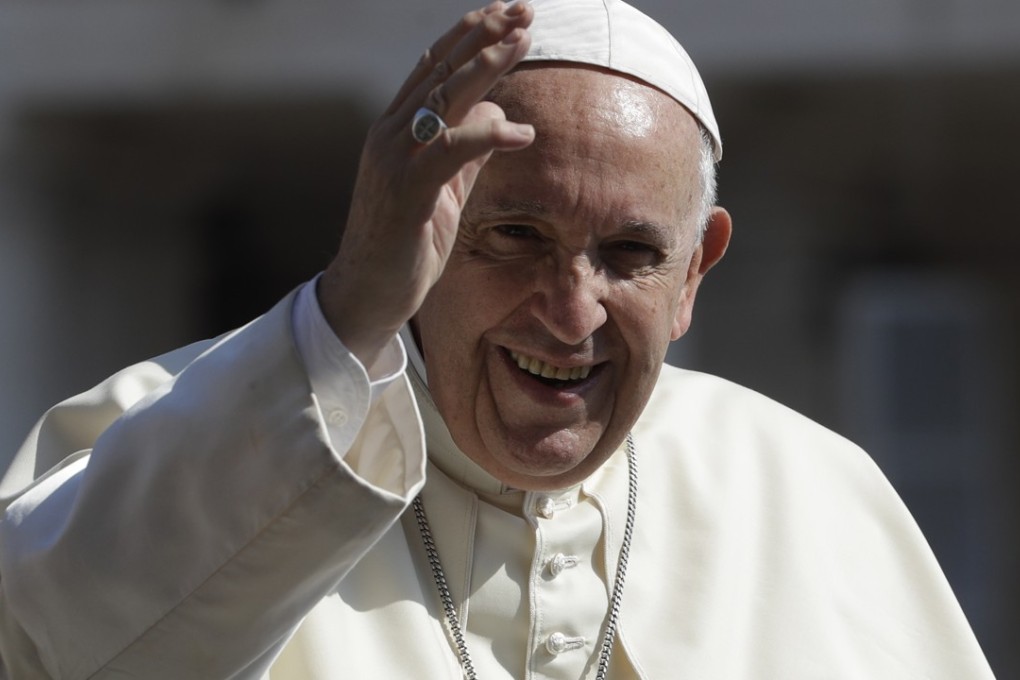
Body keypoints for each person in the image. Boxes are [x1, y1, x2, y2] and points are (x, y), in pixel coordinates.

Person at [0, 0, 995, 678]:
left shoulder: (818, 494)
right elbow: (51, 643)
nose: (571, 313)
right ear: (416, 224)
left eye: (632, 252)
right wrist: (348, 313)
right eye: (515, 236)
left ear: (696, 272)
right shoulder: (164, 438)